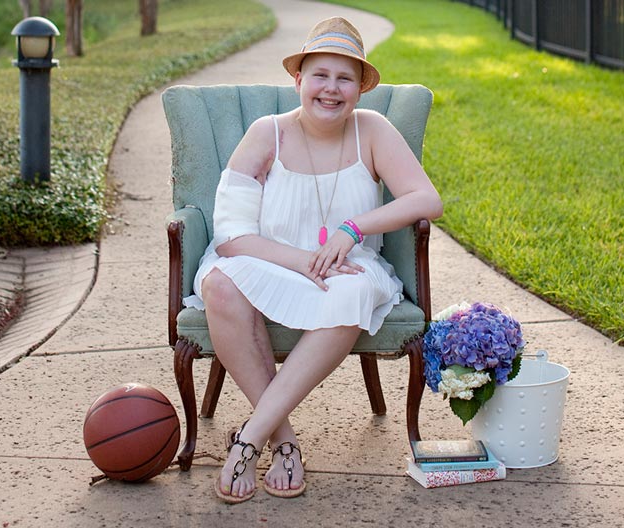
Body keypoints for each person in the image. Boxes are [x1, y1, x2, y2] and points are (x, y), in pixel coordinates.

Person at [182, 16, 443, 503]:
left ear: (360, 89)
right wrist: (301, 260)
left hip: (347, 265)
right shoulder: (267, 134)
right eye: (320, 75)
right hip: (267, 258)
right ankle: (282, 441)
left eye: (345, 78)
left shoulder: (372, 131)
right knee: (219, 284)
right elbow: (232, 236)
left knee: (352, 291)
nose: (331, 89)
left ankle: (248, 440)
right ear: (298, 79)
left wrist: (354, 226)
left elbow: (427, 200)